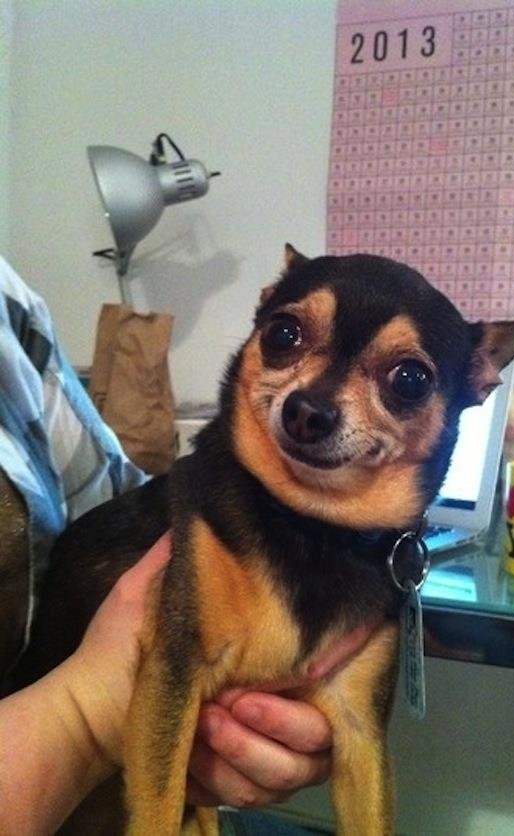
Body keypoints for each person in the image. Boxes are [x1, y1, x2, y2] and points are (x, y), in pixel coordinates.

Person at [0, 258, 371, 832]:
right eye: (287, 338)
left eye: (405, 381)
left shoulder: (11, 303)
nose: (311, 401)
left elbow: (111, 502)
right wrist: (85, 716)